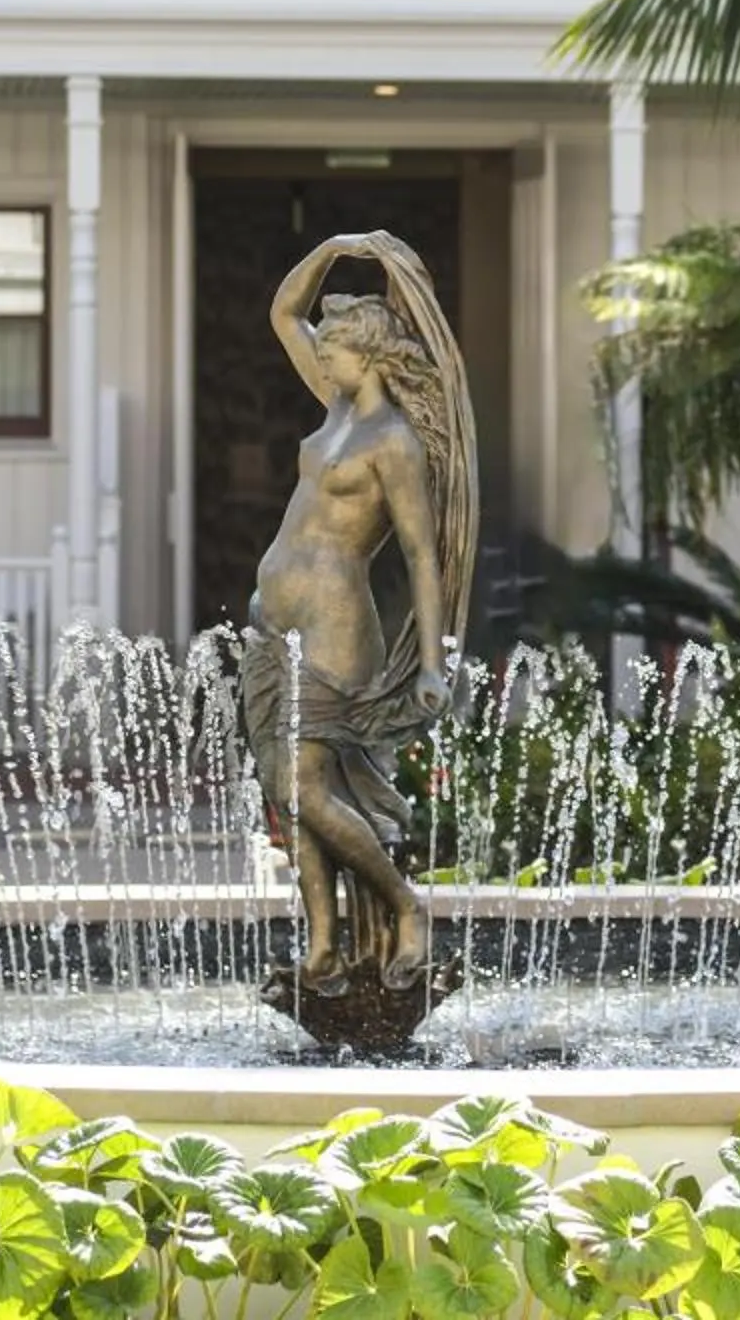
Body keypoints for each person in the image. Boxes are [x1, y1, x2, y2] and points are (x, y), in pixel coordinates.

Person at [242, 230, 474, 996]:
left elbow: (418, 556)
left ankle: (406, 909)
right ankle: (321, 944)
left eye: (337, 352)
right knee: (286, 786)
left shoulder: (395, 442)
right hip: (274, 624)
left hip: (338, 624)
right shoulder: (337, 406)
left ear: (369, 357)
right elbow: (283, 312)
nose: (325, 361)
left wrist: (434, 663)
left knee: (309, 785)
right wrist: (336, 249)